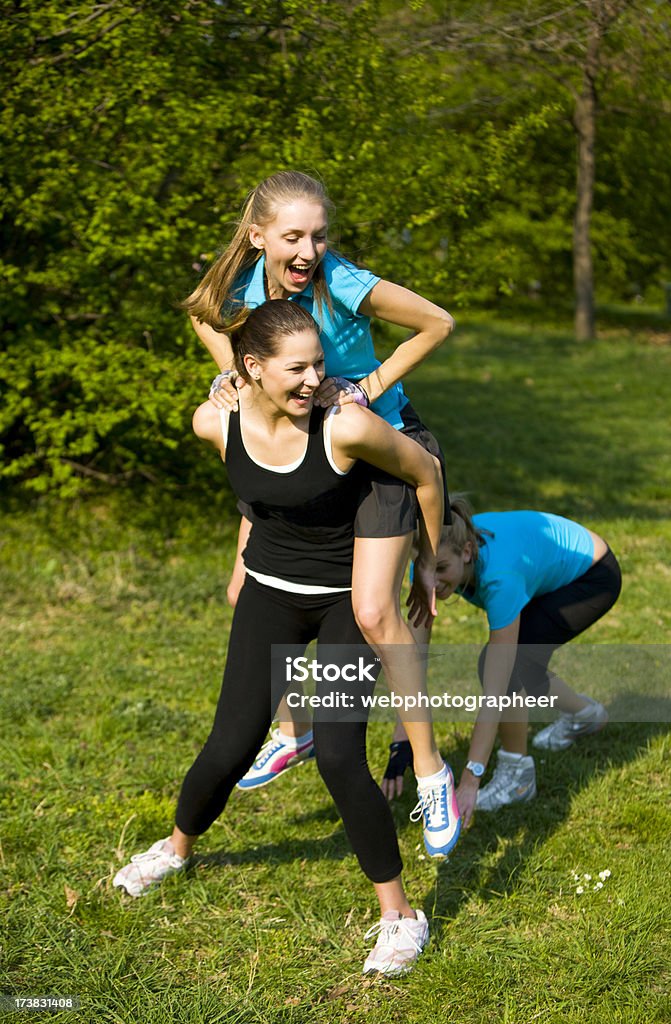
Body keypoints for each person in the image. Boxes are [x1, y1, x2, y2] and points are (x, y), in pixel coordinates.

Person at [114, 301, 453, 975]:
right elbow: (255, 494)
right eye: (297, 368)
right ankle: (176, 848)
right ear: (252, 368)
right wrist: (243, 556)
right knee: (229, 744)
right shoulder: (214, 421)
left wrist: (429, 565)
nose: (314, 381)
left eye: (319, 364)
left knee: (336, 756)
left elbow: (424, 473)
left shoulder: (346, 424)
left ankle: (398, 916)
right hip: (270, 596)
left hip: (341, 609)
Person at [182, 171, 456, 828]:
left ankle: (428, 771)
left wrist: (368, 384)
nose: (307, 251)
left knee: (371, 612)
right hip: (294, 447)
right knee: (239, 592)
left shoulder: (345, 282)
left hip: (375, 441)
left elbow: (436, 322)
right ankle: (296, 729)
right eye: (292, 237)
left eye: (319, 235)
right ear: (258, 238)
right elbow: (199, 311)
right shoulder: (243, 290)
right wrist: (230, 373)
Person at [381, 496, 622, 825]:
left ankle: (517, 774)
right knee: (521, 663)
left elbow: (496, 689)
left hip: (592, 576)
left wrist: (470, 778)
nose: (432, 581)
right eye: (426, 568)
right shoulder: (425, 568)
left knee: (505, 668)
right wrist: (401, 741)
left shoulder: (500, 578)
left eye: (441, 569)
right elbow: (411, 660)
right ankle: (586, 715)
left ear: (467, 552)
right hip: (543, 566)